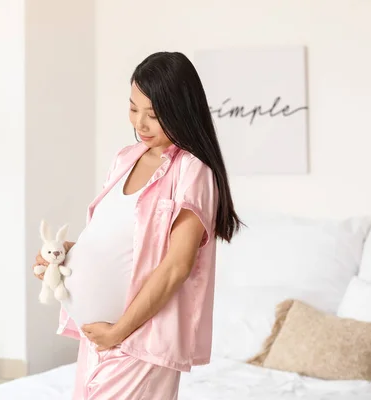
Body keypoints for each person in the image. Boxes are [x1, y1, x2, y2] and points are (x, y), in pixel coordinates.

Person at [32, 51, 242, 400]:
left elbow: (177, 266)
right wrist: (66, 256)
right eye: (133, 109)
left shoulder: (193, 172)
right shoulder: (124, 159)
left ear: (180, 111)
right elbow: (119, 238)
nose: (141, 124)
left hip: (139, 340)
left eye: (154, 115)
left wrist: (120, 332)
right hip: (95, 338)